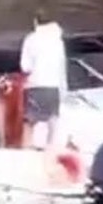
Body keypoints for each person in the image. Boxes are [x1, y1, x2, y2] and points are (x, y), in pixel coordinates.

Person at [19, 8, 67, 150]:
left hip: (36, 84)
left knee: (30, 122)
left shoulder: (31, 39)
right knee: (52, 121)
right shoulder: (58, 41)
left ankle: (27, 150)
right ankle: (50, 150)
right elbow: (62, 67)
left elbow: (25, 67)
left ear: (35, 22)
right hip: (54, 87)